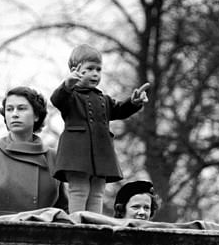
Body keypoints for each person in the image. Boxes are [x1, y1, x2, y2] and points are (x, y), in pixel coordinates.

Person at [50, 44, 150, 214]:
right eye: (90, 69)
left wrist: (133, 103)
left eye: (98, 69)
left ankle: (94, 224)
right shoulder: (70, 96)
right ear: (75, 70)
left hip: (101, 154)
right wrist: (67, 84)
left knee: (97, 193)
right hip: (77, 154)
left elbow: (119, 110)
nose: (95, 74)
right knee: (79, 189)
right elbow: (57, 100)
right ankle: (76, 225)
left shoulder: (103, 99)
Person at [0, 86, 68, 218]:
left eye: (21, 108)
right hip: (3, 234)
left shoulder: (53, 157)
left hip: (45, 235)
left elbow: (64, 209)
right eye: (9, 109)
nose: (14, 114)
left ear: (36, 115)